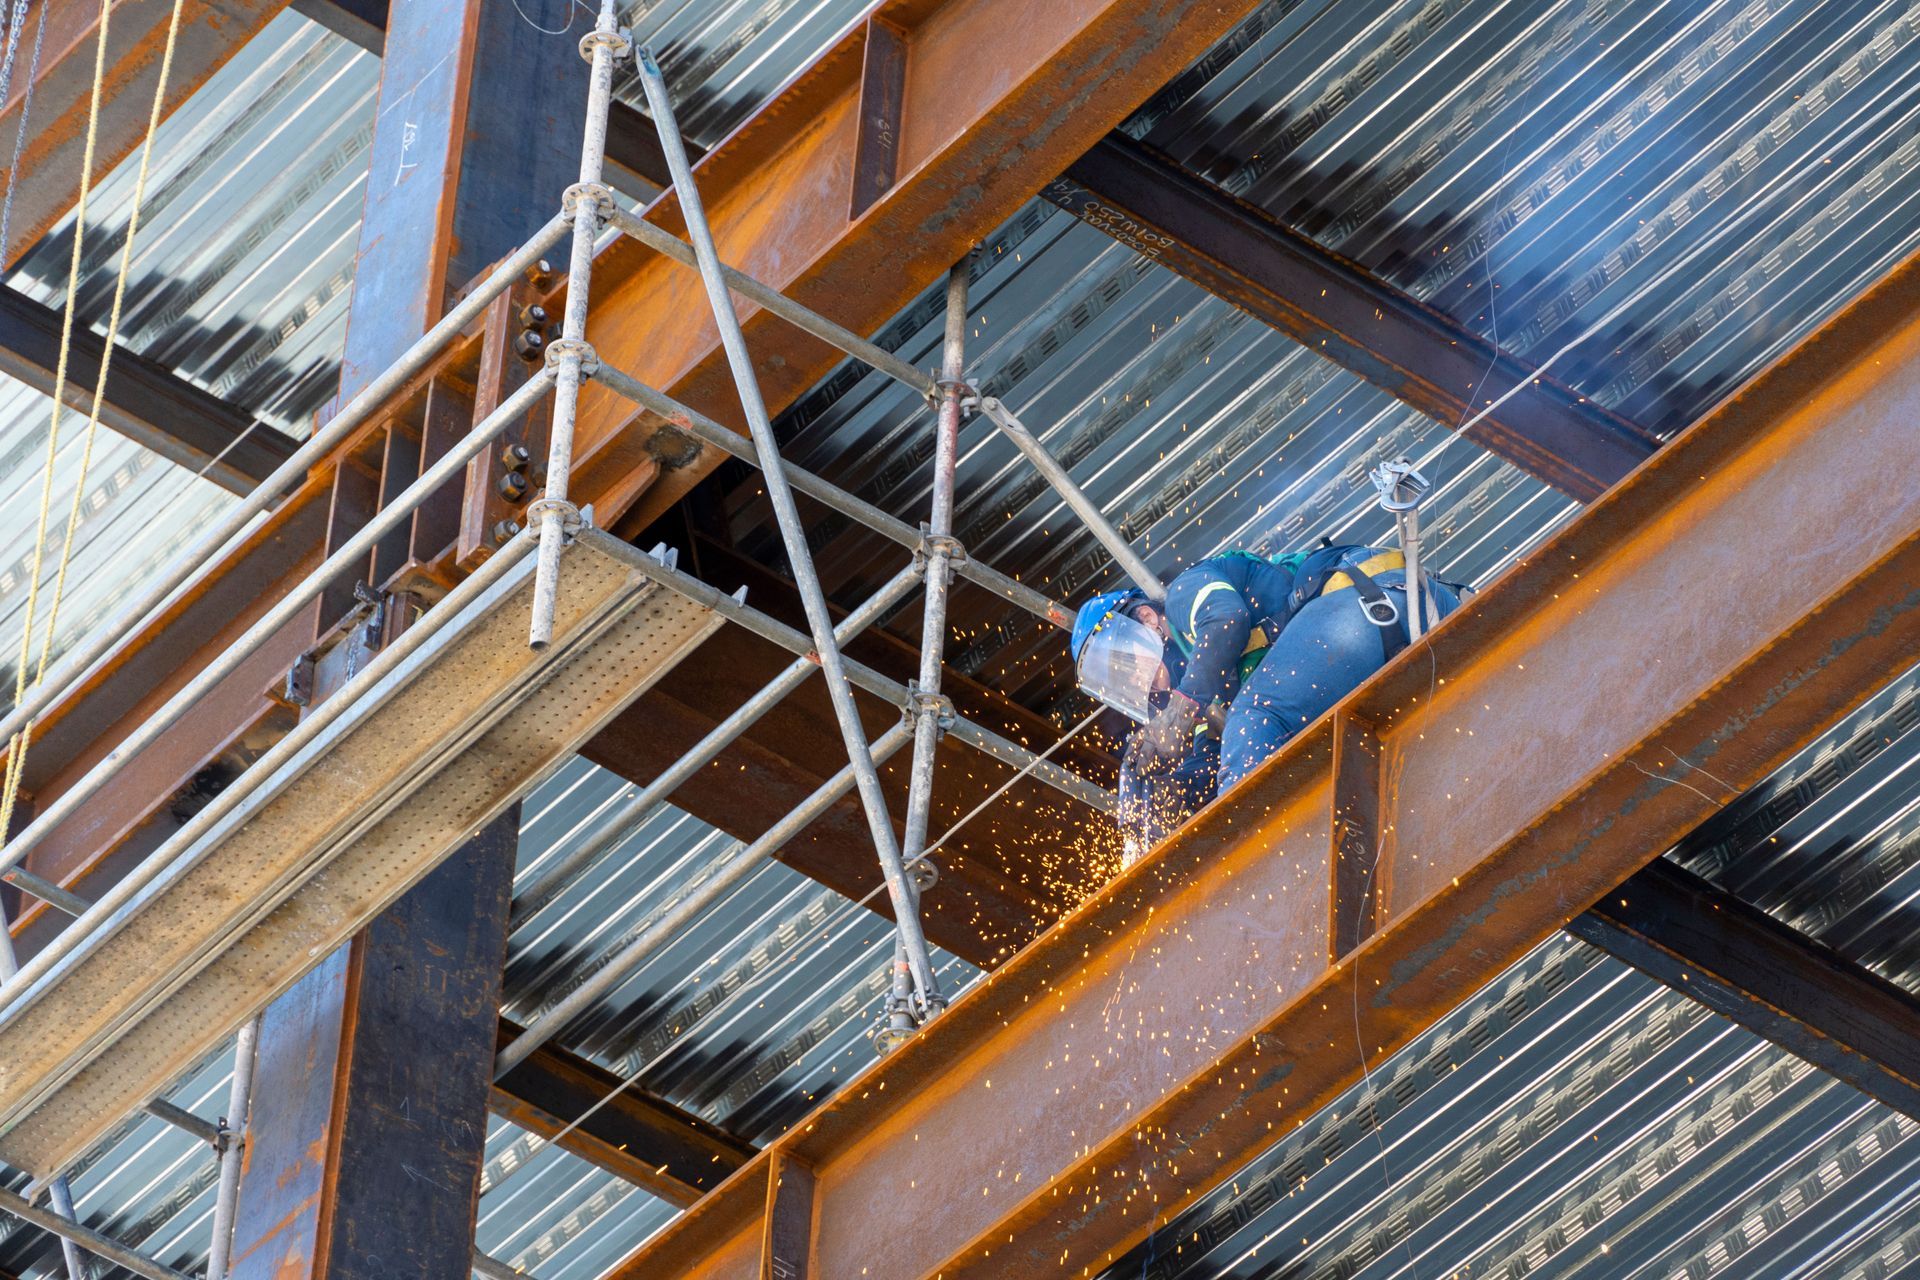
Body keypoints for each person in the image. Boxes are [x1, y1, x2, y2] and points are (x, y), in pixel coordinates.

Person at [1073, 543, 1462, 857]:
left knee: (1255, 719)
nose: (1135, 680)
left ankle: (1252, 864)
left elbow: (1227, 620)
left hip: (1377, 602)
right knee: (1250, 733)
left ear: (1145, 617)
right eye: (1117, 679)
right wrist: (1168, 798)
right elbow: (1219, 759)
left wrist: (1179, 713)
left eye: (1124, 662)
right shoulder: (1213, 693)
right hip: (1392, 650)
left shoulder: (1183, 597)